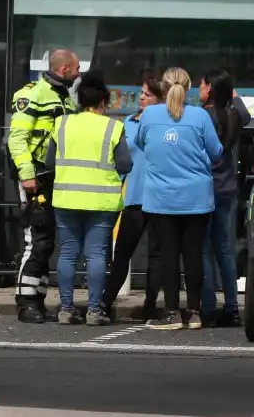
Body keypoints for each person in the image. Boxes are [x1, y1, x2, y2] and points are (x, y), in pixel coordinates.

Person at [137, 67, 223, 330]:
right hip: (196, 196)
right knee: (194, 254)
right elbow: (217, 151)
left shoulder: (150, 114)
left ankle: (172, 313)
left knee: (169, 256)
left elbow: (142, 142)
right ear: (188, 88)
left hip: (161, 197)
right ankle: (194, 312)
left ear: (163, 87)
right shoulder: (200, 116)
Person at [43, 70, 131, 326]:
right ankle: (94, 311)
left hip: (66, 199)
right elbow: (125, 164)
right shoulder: (113, 127)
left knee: (68, 253)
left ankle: (66, 309)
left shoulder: (62, 124)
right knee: (96, 255)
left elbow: (50, 161)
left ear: (80, 101)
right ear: (103, 102)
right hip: (101, 202)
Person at [8, 49, 80, 323]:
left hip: (54, 177)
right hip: (35, 175)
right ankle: (25, 303)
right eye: (76, 70)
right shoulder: (33, 94)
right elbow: (17, 139)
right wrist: (27, 174)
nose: (78, 75)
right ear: (64, 70)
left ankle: (37, 299)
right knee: (36, 239)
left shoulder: (65, 98)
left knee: (47, 241)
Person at [101, 71, 163, 321]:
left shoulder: (164, 123)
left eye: (148, 94)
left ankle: (150, 305)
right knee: (122, 254)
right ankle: (105, 302)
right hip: (134, 197)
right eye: (142, 92)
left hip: (160, 199)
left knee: (156, 256)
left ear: (161, 98)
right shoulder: (128, 122)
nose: (142, 97)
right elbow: (121, 161)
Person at [199, 69, 251, 327]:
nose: (198, 89)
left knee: (203, 249)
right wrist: (232, 93)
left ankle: (208, 306)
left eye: (202, 85)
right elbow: (247, 113)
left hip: (204, 187)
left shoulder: (202, 117)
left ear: (210, 88)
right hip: (227, 187)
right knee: (224, 248)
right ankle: (231, 306)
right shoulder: (234, 115)